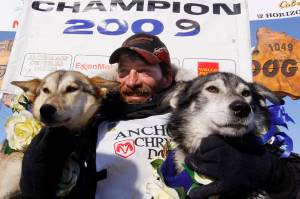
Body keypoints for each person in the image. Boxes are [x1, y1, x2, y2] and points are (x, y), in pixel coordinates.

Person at [20, 33, 300, 199]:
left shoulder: (209, 110)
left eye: (143, 70)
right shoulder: (88, 121)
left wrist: (271, 173)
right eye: (123, 71)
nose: (131, 80)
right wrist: (49, 142)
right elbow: (36, 189)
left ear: (167, 75)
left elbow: (291, 176)